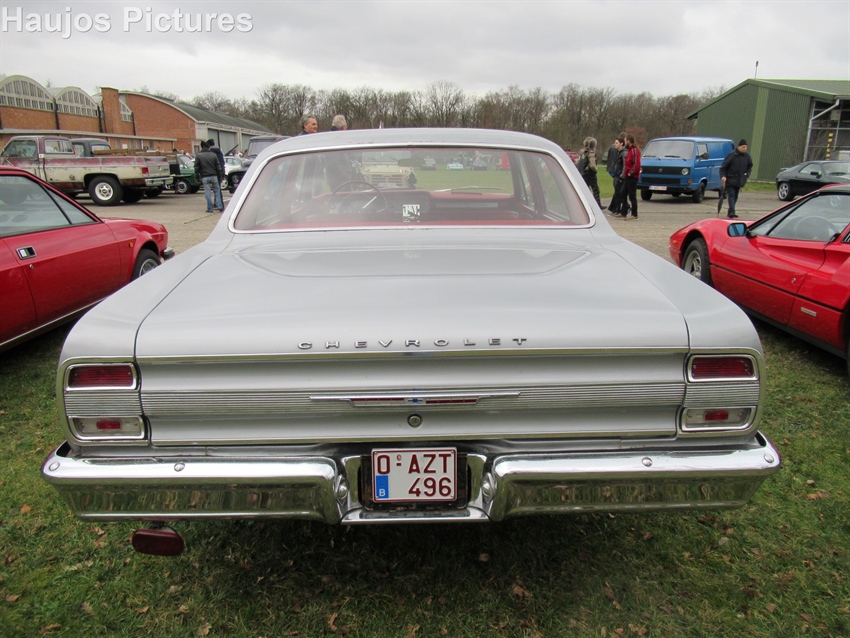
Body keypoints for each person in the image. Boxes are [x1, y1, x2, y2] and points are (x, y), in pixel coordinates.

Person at [720, 139, 753, 219]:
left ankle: (730, 211)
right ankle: (732, 211)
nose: (745, 148)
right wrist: (723, 176)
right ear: (739, 147)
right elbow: (723, 167)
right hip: (730, 179)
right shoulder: (732, 155)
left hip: (740, 180)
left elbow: (750, 166)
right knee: (731, 195)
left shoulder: (747, 156)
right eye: (743, 147)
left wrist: (747, 174)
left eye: (746, 147)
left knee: (735, 196)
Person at [194, 141, 224, 213]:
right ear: (208, 147)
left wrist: (197, 177)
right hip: (214, 175)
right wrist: (220, 176)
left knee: (208, 193)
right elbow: (218, 167)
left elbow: (196, 167)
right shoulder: (213, 155)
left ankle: (210, 208)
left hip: (205, 176)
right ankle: (219, 205)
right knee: (217, 191)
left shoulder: (198, 155)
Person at [621, 133, 641, 220]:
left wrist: (631, 172)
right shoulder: (629, 151)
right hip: (627, 176)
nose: (625, 142)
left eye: (625, 141)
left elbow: (637, 164)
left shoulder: (634, 151)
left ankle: (634, 214)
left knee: (632, 195)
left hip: (632, 177)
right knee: (622, 193)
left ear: (628, 141)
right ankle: (624, 212)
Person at [578, 136, 602, 207]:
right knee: (595, 190)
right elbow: (592, 165)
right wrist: (595, 170)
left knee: (585, 190)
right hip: (590, 174)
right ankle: (598, 204)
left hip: (583, 173)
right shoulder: (591, 152)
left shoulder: (582, 152)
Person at [608, 135, 628, 217]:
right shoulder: (619, 152)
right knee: (617, 193)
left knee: (619, 193)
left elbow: (625, 165)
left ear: (621, 143)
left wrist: (621, 176)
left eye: (616, 143)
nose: (615, 144)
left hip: (620, 176)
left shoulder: (624, 153)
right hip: (617, 174)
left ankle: (619, 210)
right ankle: (617, 209)